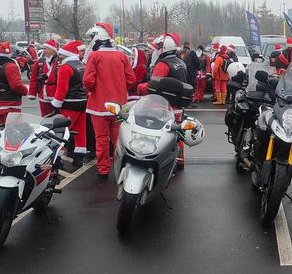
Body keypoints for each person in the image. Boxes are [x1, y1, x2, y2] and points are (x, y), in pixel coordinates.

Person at [83, 23, 136, 179]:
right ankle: (120, 168)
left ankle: (103, 170)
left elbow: (88, 80)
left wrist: (95, 90)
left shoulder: (95, 56)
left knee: (101, 140)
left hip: (99, 106)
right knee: (119, 140)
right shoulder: (121, 56)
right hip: (120, 106)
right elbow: (131, 80)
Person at [137, 33, 189, 167]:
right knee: (177, 132)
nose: (154, 51)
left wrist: (139, 87)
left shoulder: (163, 65)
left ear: (163, 48)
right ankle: (180, 160)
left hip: (162, 105)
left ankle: (161, 161)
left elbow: (152, 86)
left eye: (157, 48)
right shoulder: (180, 62)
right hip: (178, 104)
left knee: (159, 134)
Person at [51, 41, 88, 167]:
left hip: (69, 103)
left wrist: (56, 105)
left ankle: (57, 158)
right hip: (83, 102)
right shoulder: (82, 65)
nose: (59, 57)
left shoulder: (65, 68)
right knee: (80, 131)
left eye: (61, 54)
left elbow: (62, 89)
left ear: (66, 55)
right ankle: (79, 157)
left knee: (62, 132)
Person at [28, 39, 59, 117]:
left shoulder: (59, 62)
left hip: (56, 94)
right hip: (43, 94)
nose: (44, 50)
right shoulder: (40, 62)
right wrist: (32, 93)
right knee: (45, 117)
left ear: (53, 50)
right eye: (43, 48)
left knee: (57, 117)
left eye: (46, 48)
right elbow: (34, 78)